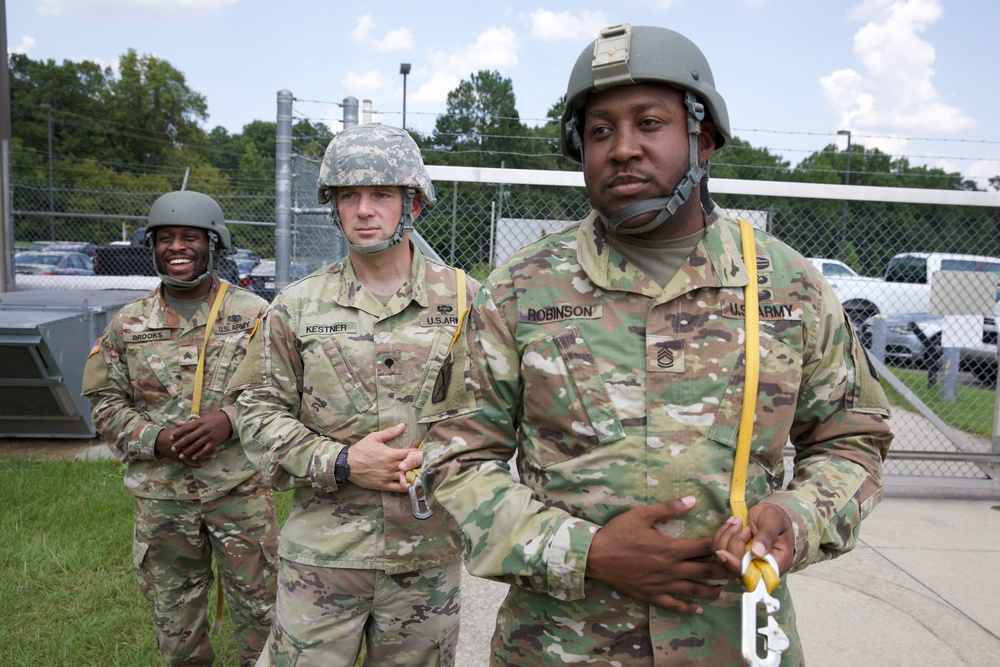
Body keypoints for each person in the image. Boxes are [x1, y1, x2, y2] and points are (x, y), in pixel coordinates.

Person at [422, 23, 894, 666]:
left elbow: (850, 442)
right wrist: (586, 551)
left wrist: (798, 518)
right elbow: (454, 463)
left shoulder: (789, 288)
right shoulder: (518, 291)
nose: (622, 149)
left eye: (649, 123)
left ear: (704, 139)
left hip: (734, 642)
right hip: (561, 646)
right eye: (600, 131)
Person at [229, 123, 478, 667]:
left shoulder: (466, 301)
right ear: (334, 206)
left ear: (412, 202)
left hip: (426, 554)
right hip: (324, 555)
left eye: (381, 194)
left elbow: (497, 411)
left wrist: (436, 456)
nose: (364, 210)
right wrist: (340, 461)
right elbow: (256, 411)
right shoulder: (296, 307)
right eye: (349, 196)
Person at [82, 190, 279, 667]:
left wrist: (228, 421)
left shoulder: (255, 315)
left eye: (189, 237)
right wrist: (156, 439)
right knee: (176, 626)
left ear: (214, 243)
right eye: (165, 239)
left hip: (240, 493)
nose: (177, 247)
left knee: (265, 615)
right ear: (152, 247)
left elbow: (280, 389)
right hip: (162, 500)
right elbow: (104, 401)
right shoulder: (127, 323)